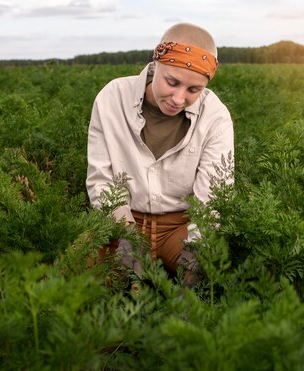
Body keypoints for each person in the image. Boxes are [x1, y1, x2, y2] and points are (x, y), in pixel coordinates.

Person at [86, 23, 234, 286]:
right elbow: (101, 178)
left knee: (218, 276)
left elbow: (213, 193)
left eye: (193, 90)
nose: (178, 98)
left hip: (181, 228)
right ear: (156, 63)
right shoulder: (112, 98)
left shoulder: (215, 116)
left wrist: (196, 252)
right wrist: (128, 235)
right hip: (123, 222)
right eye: (172, 82)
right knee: (74, 275)